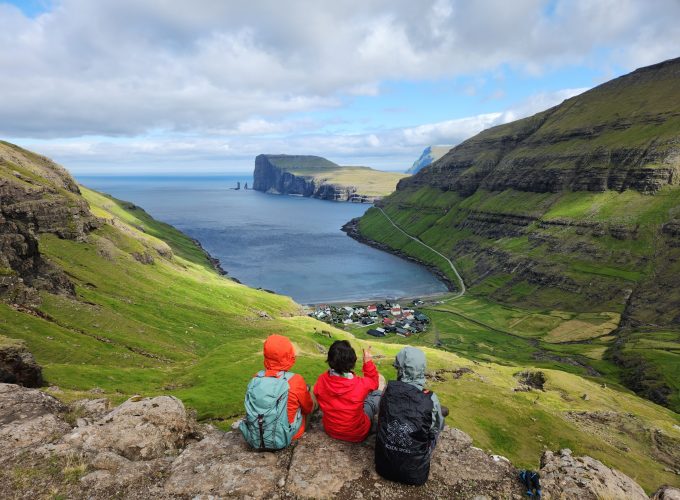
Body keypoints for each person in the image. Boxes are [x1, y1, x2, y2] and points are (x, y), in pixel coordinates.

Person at [374, 346, 447, 485]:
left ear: (400, 369)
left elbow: (380, 412)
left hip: (383, 468)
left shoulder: (388, 389)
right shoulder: (431, 398)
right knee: (437, 427)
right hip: (415, 474)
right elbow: (435, 428)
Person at [240, 334, 314, 450]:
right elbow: (308, 409)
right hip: (288, 436)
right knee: (309, 394)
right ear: (289, 356)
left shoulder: (256, 379)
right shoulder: (296, 380)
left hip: (256, 437)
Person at [313, 340, 382, 442]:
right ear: (352, 362)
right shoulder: (360, 384)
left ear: (330, 360)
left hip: (331, 430)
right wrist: (367, 362)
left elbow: (318, 394)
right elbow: (374, 383)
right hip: (357, 433)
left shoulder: (321, 380)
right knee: (377, 395)